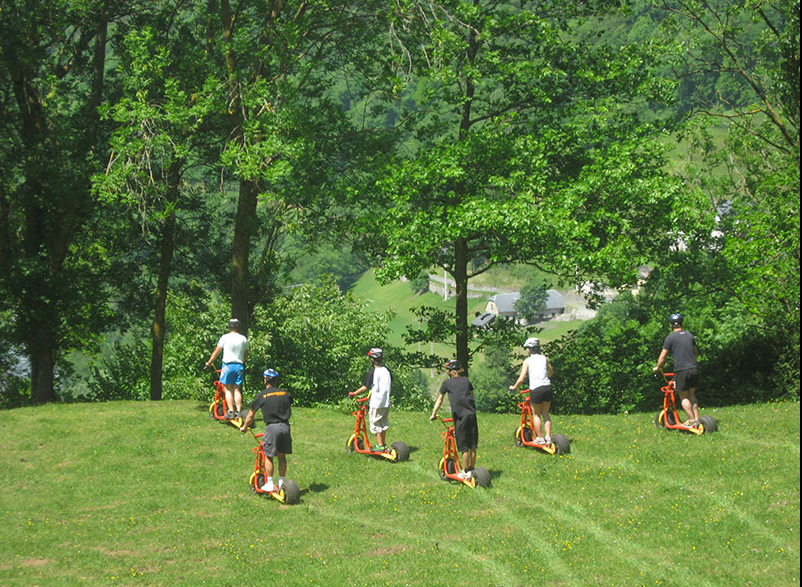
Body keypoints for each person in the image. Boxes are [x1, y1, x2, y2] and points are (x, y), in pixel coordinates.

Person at [240, 369, 292, 493]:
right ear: (276, 380)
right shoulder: (285, 393)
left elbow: (251, 414)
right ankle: (281, 482)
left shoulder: (262, 395)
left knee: (268, 456)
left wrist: (245, 427)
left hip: (272, 427)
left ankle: (269, 483)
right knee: (281, 456)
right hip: (285, 426)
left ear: (265, 380)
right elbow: (289, 402)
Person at [429, 359, 478, 480]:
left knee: (463, 445)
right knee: (472, 444)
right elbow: (472, 394)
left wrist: (433, 414)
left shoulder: (447, 383)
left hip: (460, 417)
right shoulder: (466, 380)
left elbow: (440, 400)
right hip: (472, 414)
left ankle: (466, 471)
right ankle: (472, 469)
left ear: (451, 371)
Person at [653, 313, 700, 427]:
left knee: (683, 396)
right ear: (681, 323)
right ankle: (697, 419)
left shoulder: (670, 338)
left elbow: (663, 355)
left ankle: (692, 420)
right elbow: (695, 352)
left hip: (681, 370)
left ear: (670, 325)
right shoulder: (689, 335)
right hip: (694, 368)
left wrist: (658, 367)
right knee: (692, 395)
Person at [509, 337, 554, 445]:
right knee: (546, 413)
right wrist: (545, 378)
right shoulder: (544, 358)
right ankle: (548, 437)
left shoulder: (527, 361)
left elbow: (521, 378)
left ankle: (540, 438)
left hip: (536, 389)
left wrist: (514, 387)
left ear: (530, 349)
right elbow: (551, 371)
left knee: (536, 414)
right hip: (547, 387)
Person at [349, 348, 392, 452]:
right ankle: (383, 444)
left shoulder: (372, 372)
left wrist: (354, 393)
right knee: (383, 423)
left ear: (372, 360)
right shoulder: (387, 370)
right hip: (386, 402)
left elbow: (365, 387)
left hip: (377, 403)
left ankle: (380, 446)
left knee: (376, 423)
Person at [205, 318, 249, 419]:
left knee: (227, 388)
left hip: (227, 366)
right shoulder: (243, 338)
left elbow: (217, 351)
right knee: (237, 390)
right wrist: (242, 361)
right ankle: (238, 411)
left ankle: (230, 411)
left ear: (229, 326)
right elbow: (246, 353)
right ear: (238, 327)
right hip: (239, 366)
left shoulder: (225, 337)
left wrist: (209, 362)